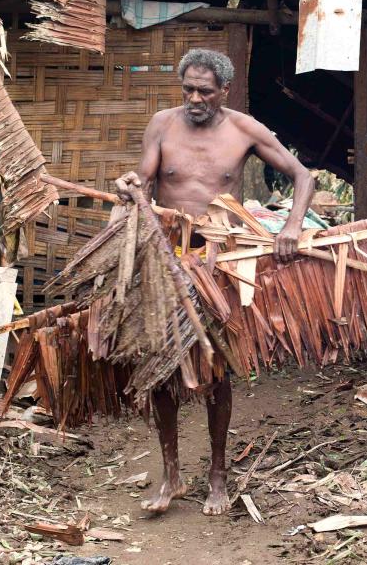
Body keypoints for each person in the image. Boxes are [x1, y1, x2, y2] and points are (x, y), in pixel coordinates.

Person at [117, 48, 315, 515]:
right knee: (162, 369)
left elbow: (302, 175)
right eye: (188, 89)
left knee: (216, 370)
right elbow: (142, 183)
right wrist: (128, 187)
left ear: (224, 91)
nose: (195, 98)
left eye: (205, 91)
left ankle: (218, 474)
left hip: (219, 264)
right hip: (167, 259)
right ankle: (171, 476)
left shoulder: (244, 129)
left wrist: (291, 227)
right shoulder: (162, 124)